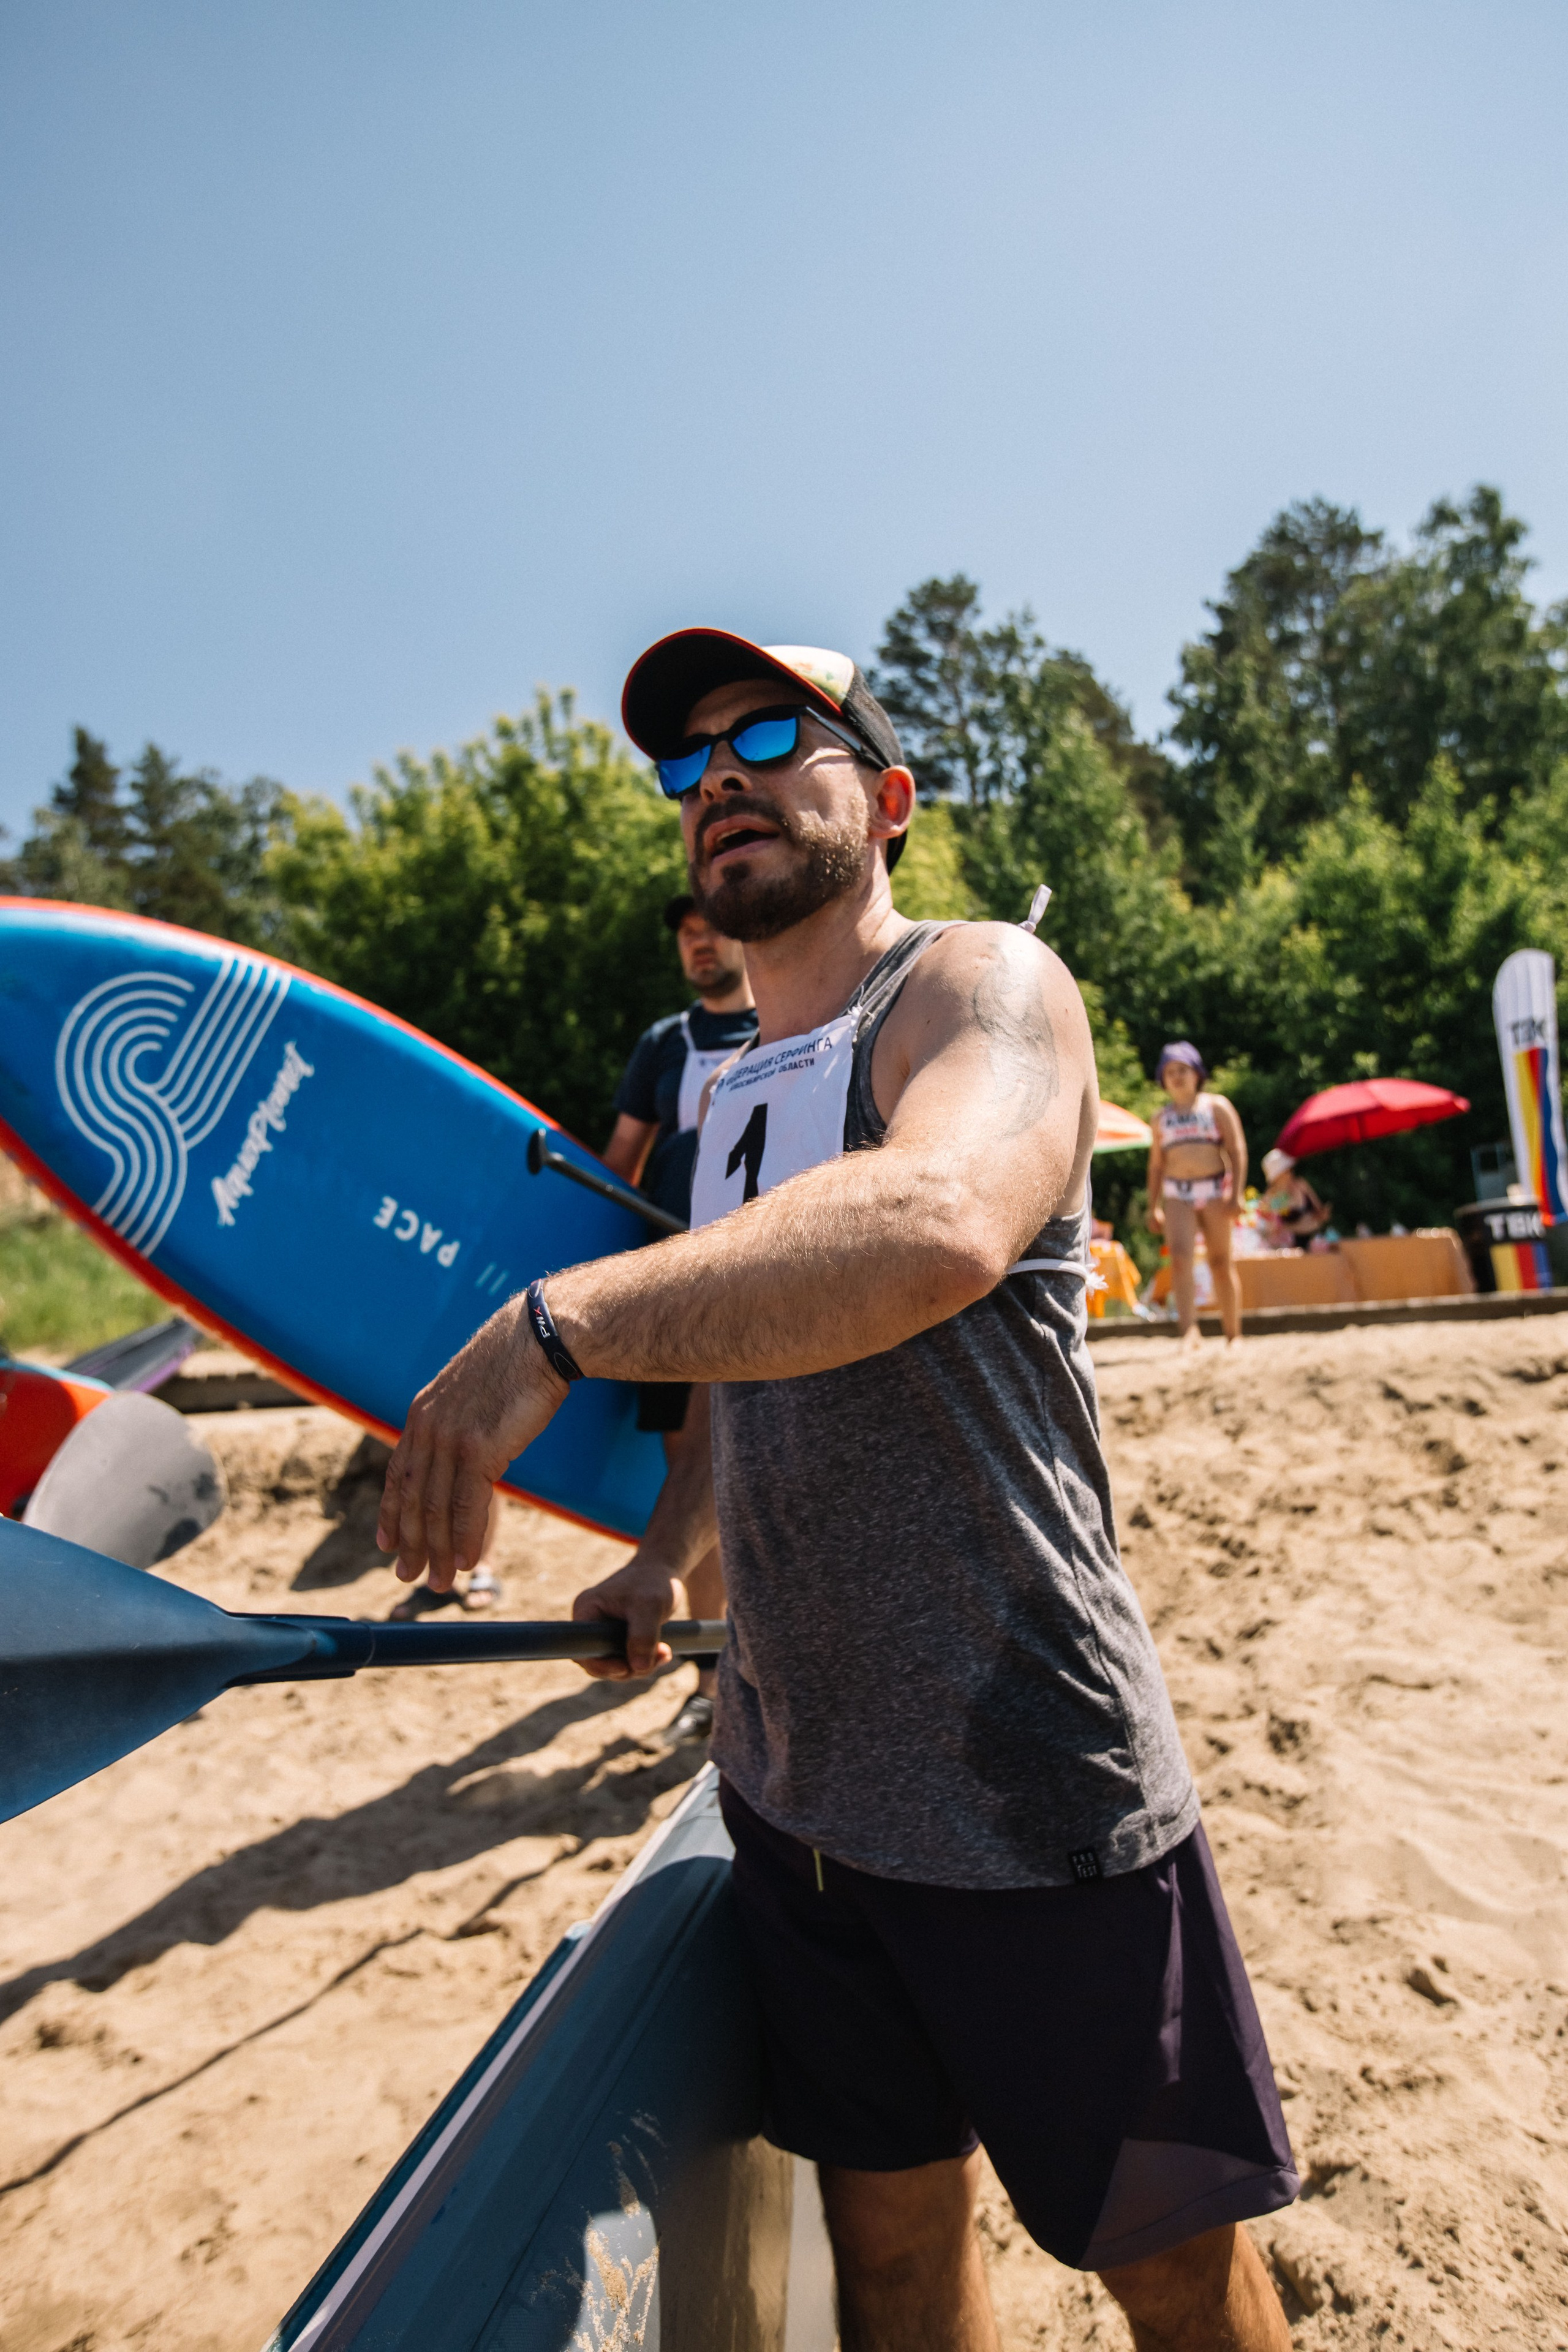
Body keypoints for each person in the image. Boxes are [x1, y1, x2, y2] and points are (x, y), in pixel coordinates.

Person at [377, 630, 1297, 2352]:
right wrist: (665, 1562)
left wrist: (551, 1326)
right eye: (685, 760)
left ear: (884, 800)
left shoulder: (981, 987)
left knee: (1169, 2268)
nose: (714, 774)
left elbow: (935, 1225)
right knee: (882, 2261)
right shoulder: (726, 1084)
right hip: (796, 1794)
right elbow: (745, 1367)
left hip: (1025, 1776)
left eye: (766, 735)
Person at [602, 896, 758, 1742]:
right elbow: (616, 1169)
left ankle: (755, 1670)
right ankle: (711, 1676)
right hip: (671, 1295)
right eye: (686, 936)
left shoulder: (797, 1024)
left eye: (712, 927)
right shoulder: (664, 1045)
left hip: (765, 1288)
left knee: (757, 1485)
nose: (699, 943)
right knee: (694, 1481)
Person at [1145, 1043, 1248, 1348]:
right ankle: (1189, 1331)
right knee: (1180, 1260)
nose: (1176, 1077)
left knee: (1221, 1261)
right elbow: (1156, 1165)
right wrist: (1153, 1206)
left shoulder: (1216, 1106)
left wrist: (1237, 1193)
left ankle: (1234, 1334)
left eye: (1182, 1070)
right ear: (1162, 1080)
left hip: (1215, 1190)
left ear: (1197, 1074)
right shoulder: (1160, 1118)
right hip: (1177, 1193)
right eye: (1170, 1072)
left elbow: (1237, 1148)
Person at [1257, 1147, 1331, 1250]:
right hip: (1289, 1249)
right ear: (1277, 1175)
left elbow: (1319, 1213)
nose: (1291, 1173)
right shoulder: (1273, 1197)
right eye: (1287, 1170)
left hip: (1313, 1242)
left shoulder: (1301, 1185)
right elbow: (1273, 1229)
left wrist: (1323, 1214)